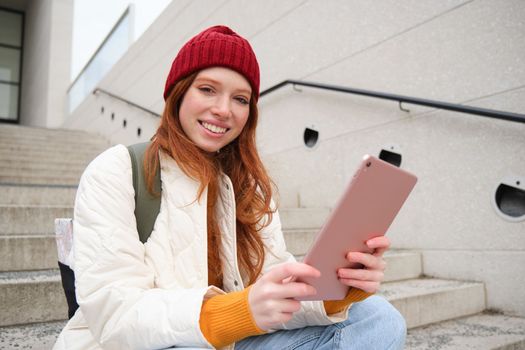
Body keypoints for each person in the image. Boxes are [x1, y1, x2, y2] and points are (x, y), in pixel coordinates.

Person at [54, 25, 406, 350]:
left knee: (377, 317)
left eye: (240, 99)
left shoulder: (249, 187)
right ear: (178, 94)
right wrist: (232, 312)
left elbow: (275, 286)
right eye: (207, 89)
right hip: (142, 343)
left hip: (235, 339)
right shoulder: (117, 169)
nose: (223, 110)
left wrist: (336, 292)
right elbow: (114, 313)